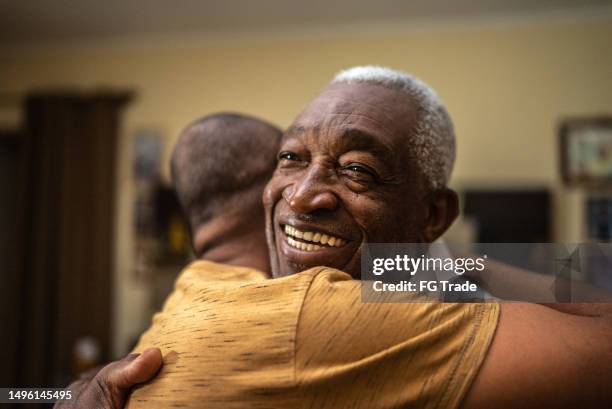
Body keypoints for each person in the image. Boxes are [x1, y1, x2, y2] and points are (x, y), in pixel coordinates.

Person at [56, 112, 282, 408]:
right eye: (290, 162)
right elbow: (366, 309)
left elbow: (24, 393)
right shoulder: (299, 308)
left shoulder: (167, 317)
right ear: (265, 182)